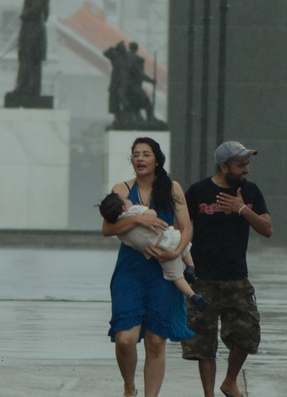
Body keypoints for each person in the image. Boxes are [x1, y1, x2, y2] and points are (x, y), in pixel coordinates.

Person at [102, 137, 196, 397]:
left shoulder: (172, 188)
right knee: (125, 340)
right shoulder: (121, 190)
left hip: (164, 271)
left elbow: (187, 227)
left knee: (156, 342)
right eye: (136, 155)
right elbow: (107, 229)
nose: (140, 159)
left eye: (146, 154)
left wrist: (177, 252)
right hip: (130, 271)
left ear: (156, 159)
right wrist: (139, 220)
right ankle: (129, 386)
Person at [181, 141, 273, 397]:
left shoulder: (250, 192)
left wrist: (241, 209)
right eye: (240, 165)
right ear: (223, 166)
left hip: (237, 278)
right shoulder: (198, 192)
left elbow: (267, 230)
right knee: (203, 344)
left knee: (247, 333)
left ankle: (230, 381)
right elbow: (181, 229)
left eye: (247, 164)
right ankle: (209, 394)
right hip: (203, 279)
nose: (247, 170)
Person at [99, 192, 208, 312]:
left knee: (176, 277)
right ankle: (190, 266)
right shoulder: (134, 210)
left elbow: (133, 244)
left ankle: (193, 296)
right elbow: (153, 214)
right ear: (124, 207)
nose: (129, 200)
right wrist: (144, 208)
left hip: (158, 250)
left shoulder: (120, 232)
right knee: (183, 243)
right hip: (167, 236)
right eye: (125, 199)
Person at [14, 0, 50, 96]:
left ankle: (24, 88)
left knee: (27, 60)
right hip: (36, 30)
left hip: (32, 32)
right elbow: (46, 14)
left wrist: (24, 15)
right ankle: (31, 89)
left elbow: (36, 9)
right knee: (32, 62)